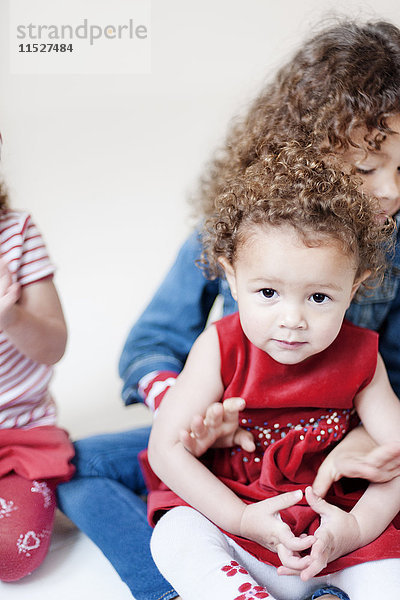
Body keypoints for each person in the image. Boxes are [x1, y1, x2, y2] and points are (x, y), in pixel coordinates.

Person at [57, 19, 400, 600]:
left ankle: (325, 588)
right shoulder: (242, 233)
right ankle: (175, 587)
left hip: (329, 455)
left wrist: (369, 437)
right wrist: (191, 413)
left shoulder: (390, 245)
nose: (390, 190)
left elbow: (384, 375)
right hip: (230, 447)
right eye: (368, 168)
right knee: (74, 464)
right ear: (304, 150)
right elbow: (151, 344)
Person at [147, 145, 400, 600]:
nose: (292, 319)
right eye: (267, 292)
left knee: (390, 578)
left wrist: (357, 529)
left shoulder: (363, 356)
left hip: (334, 531)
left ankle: (330, 592)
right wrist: (239, 519)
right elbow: (166, 448)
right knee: (175, 534)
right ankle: (242, 592)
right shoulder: (220, 348)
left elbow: (398, 454)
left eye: (319, 297)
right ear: (232, 279)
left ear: (353, 288)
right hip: (237, 515)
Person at [0, 140, 74, 581]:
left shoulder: (17, 232)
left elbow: (53, 345)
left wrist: (11, 316)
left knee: (14, 556)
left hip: (19, 437)